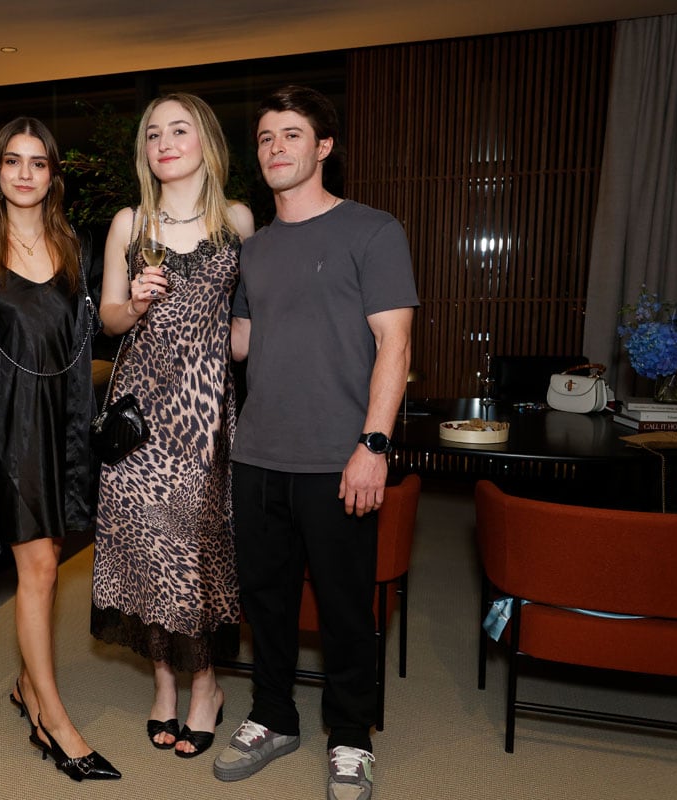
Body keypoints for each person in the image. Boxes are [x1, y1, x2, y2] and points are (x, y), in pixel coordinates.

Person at [213, 84, 417, 799]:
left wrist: (374, 443)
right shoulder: (255, 250)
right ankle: (273, 715)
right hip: (257, 453)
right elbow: (239, 343)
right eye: (266, 138)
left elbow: (395, 342)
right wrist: (181, 296)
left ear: (323, 146)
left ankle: (352, 735)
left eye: (291, 136)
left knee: (342, 603)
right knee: (264, 600)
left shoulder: (373, 231)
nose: (276, 149)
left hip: (339, 456)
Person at [0, 117, 120, 781]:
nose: (25, 174)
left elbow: (95, 332)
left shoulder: (79, 248)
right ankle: (52, 720)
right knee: (38, 567)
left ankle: (22, 682)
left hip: (66, 417)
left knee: (52, 556)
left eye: (38, 163)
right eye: (13, 161)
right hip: (9, 425)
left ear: (52, 175)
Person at [92, 93, 254, 759]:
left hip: (205, 414)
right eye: (154, 133)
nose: (164, 141)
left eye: (178, 129)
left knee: (197, 554)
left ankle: (206, 687)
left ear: (206, 142)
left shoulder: (238, 219)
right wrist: (132, 303)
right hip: (137, 419)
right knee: (139, 549)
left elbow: (245, 326)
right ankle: (164, 684)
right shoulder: (130, 221)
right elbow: (107, 319)